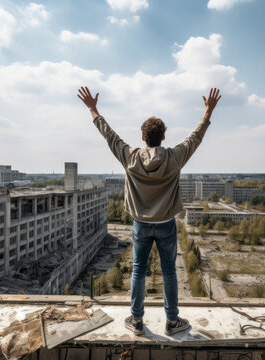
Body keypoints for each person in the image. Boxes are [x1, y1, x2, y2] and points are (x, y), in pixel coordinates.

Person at [77, 86, 221, 336]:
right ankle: (172, 321)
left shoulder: (131, 157)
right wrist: (207, 111)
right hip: (166, 224)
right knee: (169, 273)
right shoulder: (174, 157)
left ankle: (136, 321)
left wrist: (93, 109)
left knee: (138, 271)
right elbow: (195, 137)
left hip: (140, 225)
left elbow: (109, 135)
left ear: (143, 138)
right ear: (163, 138)